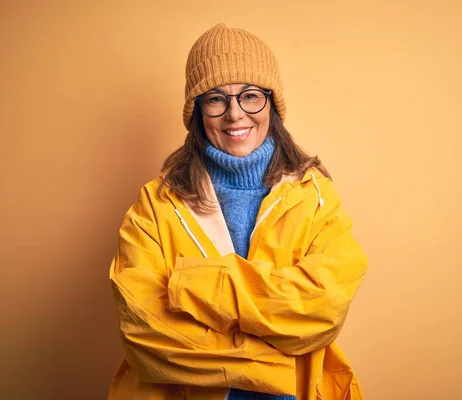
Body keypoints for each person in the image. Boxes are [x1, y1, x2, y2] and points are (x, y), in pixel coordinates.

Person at [108, 23, 368, 400]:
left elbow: (322, 307)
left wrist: (193, 284)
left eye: (249, 96)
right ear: (196, 111)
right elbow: (145, 332)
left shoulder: (316, 196)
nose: (235, 114)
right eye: (215, 99)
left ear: (271, 104)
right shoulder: (155, 205)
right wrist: (276, 365)